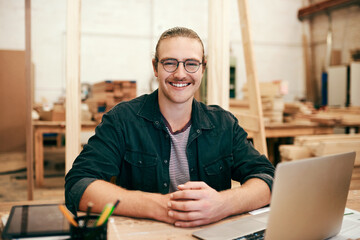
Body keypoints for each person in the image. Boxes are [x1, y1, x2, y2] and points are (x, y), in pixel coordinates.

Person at [65, 26, 275, 228]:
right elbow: (78, 185)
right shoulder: (122, 120)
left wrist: (222, 204)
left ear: (203, 68)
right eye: (170, 63)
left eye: (191, 63)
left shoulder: (224, 124)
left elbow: (269, 180)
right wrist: (162, 207)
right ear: (155, 67)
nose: (180, 73)